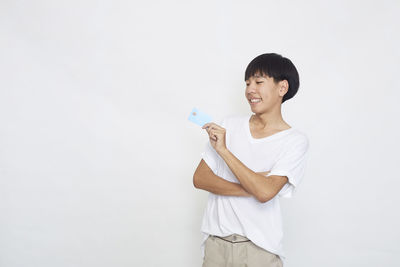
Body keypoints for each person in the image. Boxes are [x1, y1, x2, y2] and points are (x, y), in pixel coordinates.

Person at [193, 53, 310, 267]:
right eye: (247, 83)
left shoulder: (294, 141)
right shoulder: (228, 124)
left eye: (258, 82)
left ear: (282, 88)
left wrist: (225, 152)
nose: (250, 90)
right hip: (216, 246)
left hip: (260, 251)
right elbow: (200, 179)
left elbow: (265, 193)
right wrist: (254, 185)